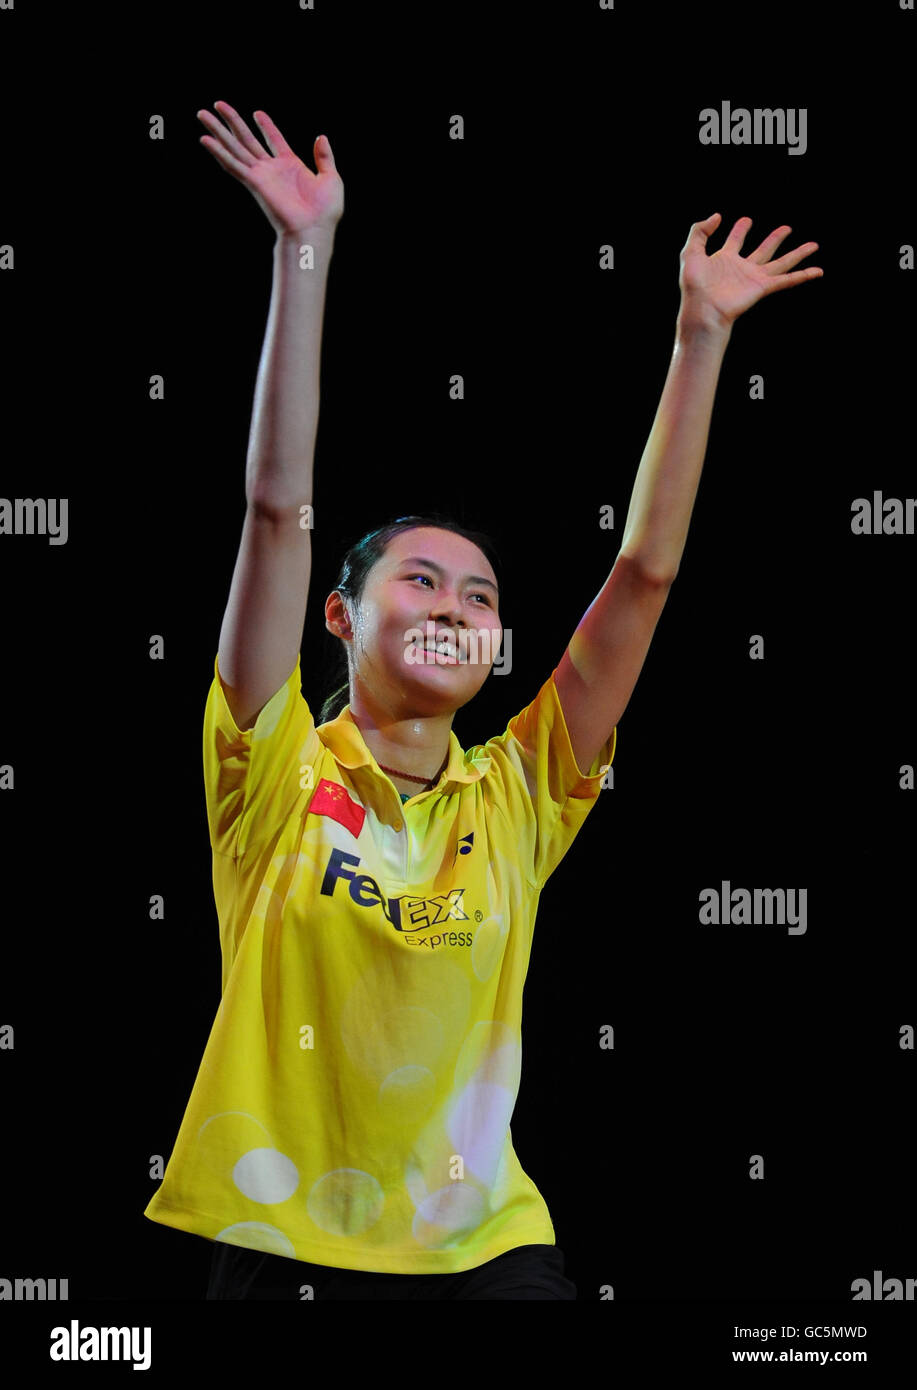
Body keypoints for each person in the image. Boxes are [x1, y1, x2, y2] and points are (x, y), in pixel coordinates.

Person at [142, 101, 823, 1301]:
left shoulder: (515, 793)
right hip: (279, 1245)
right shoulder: (272, 765)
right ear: (341, 618)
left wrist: (699, 334)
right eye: (421, 578)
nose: (457, 602)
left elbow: (643, 575)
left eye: (481, 590)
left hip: (484, 1253)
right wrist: (303, 254)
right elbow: (272, 510)